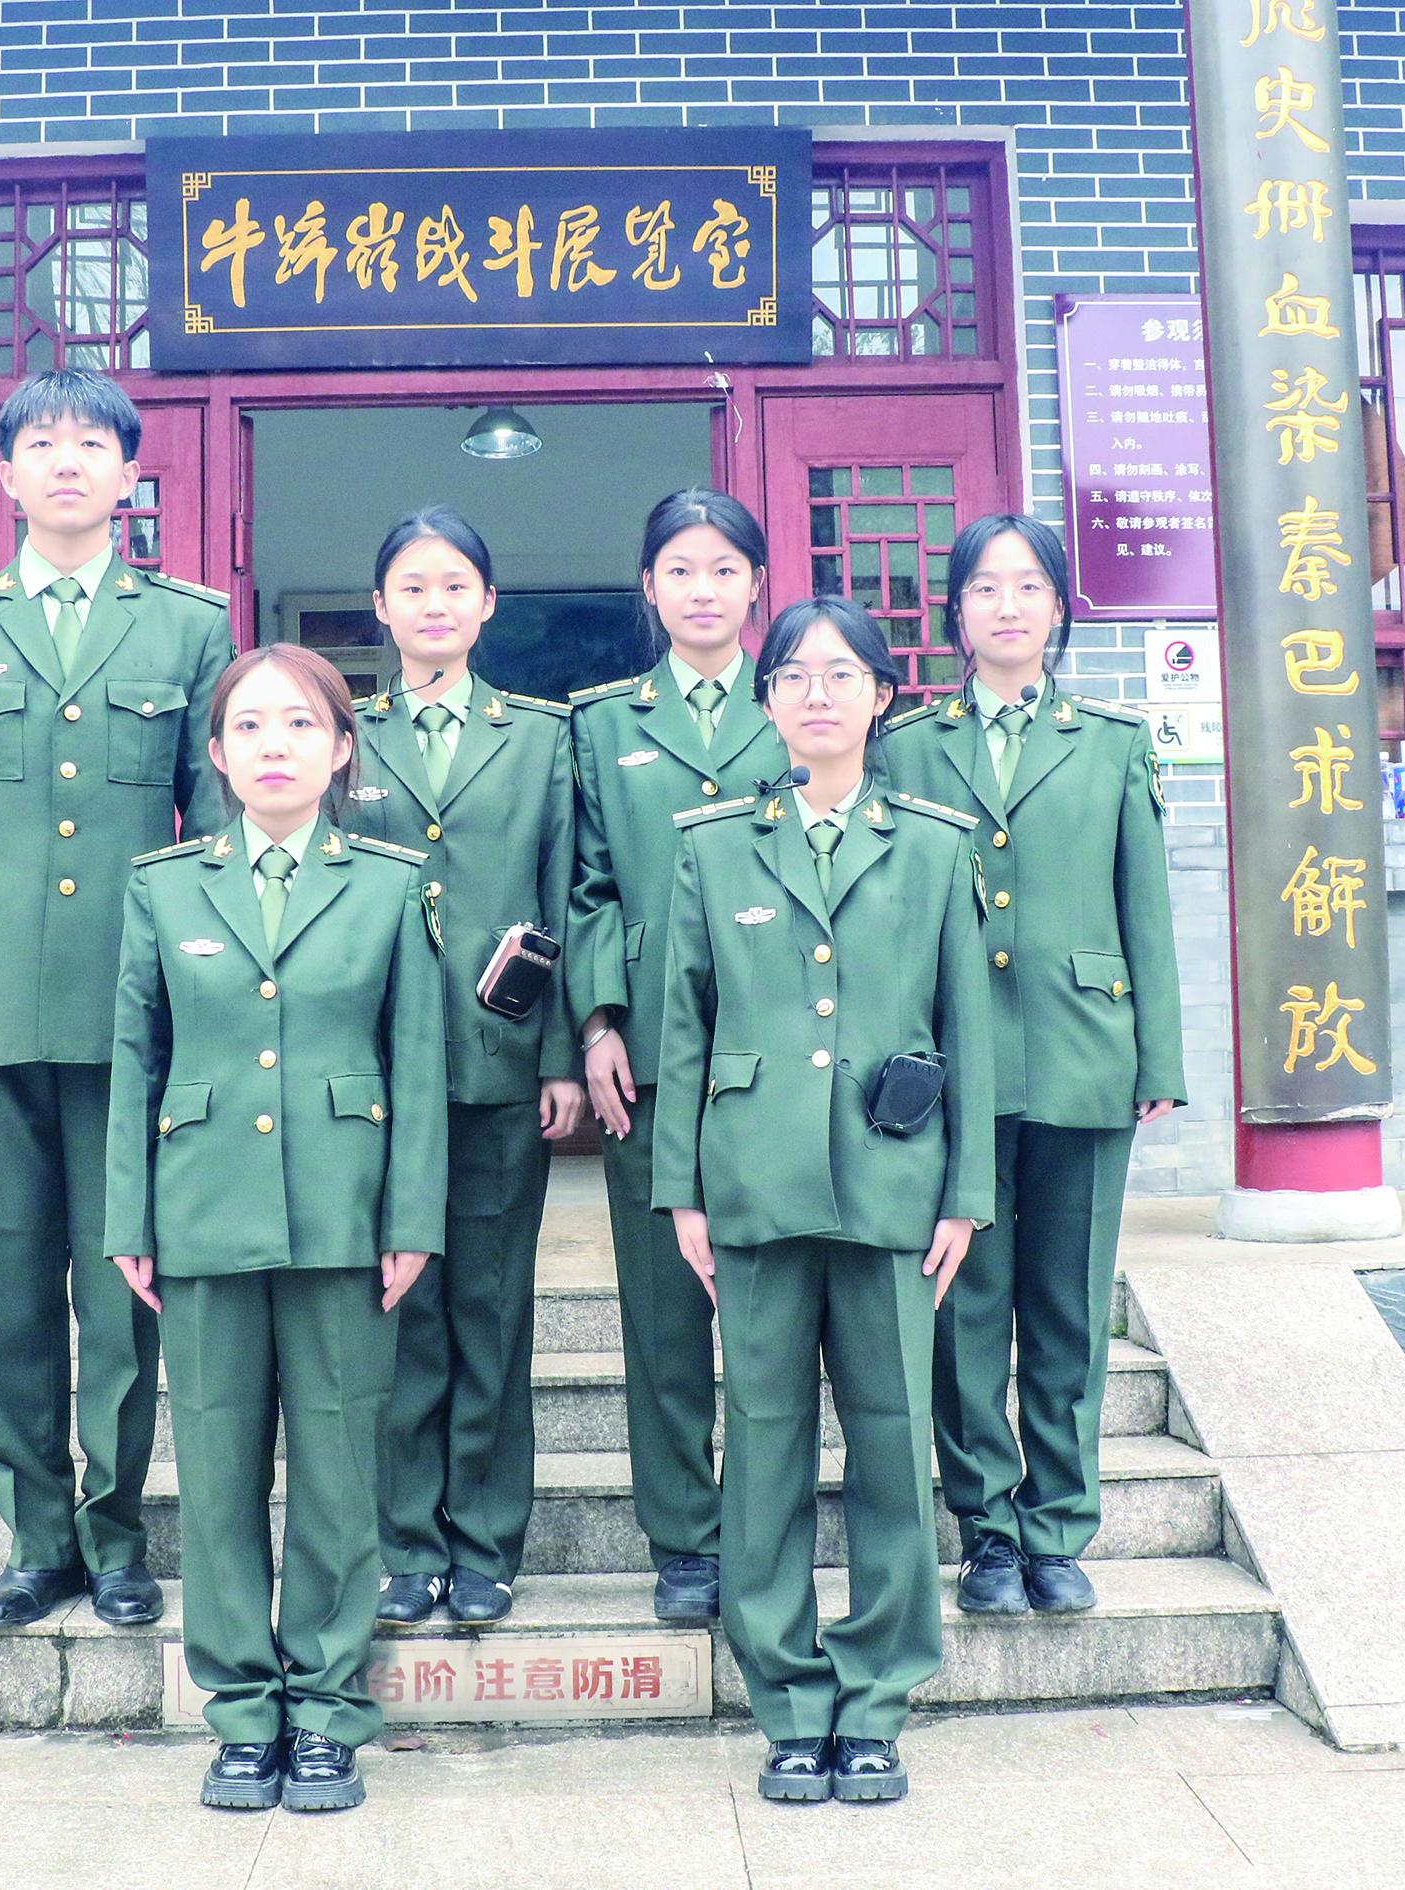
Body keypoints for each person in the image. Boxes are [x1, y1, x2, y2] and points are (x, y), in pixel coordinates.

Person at [0, 366, 232, 1631]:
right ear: (6, 474)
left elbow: (216, 824)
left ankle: (117, 1534)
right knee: (6, 1279)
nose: (68, 459)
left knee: (123, 1282)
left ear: (131, 473)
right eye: (43, 442)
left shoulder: (186, 626)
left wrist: (213, 997)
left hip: (136, 1007)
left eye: (93, 442)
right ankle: (37, 1540)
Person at [656, 595, 994, 1805]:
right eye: (794, 674)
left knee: (894, 1442)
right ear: (767, 701)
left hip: (893, 1185)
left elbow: (967, 1026)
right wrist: (682, 1190)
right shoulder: (712, 845)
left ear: (882, 696)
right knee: (763, 1448)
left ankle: (879, 1697)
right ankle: (791, 1703)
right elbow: (683, 1024)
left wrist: (966, 1193)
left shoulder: (936, 845)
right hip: (753, 1181)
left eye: (842, 674)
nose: (817, 693)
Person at [104, 643, 447, 1814]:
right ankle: (244, 1716)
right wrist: (128, 1217)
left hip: (346, 1212)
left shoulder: (391, 885)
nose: (274, 747)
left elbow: (417, 1059)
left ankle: (329, 1713)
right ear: (216, 752)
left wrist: (411, 1216)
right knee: (216, 1477)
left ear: (342, 748)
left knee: (340, 1477)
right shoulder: (164, 887)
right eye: (249, 726)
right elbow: (136, 1058)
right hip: (201, 1210)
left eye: (301, 724)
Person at [882, 513, 1185, 1618]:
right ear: (955, 611)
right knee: (966, 1304)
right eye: (984, 587)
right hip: (953, 1070)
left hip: (1082, 1055)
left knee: (1066, 1305)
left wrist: (1159, 1055)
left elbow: (1144, 905)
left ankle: (1057, 1529)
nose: (1006, 606)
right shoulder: (907, 746)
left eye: (1026, 587)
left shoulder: (1111, 742)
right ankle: (986, 1531)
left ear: (1059, 606)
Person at [345, 506, 584, 1627]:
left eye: (454, 585)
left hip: (499, 1063)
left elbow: (567, 893)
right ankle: (407, 1543)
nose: (433, 604)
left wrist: (560, 1053)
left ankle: (486, 1542)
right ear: (380, 606)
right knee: (400, 1307)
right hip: (374, 1071)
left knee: (489, 1309)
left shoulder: (541, 736)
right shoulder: (343, 731)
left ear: (488, 604)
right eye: (412, 586)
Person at [567, 488, 786, 1622]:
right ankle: (684, 1542)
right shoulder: (601, 724)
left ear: (757, 585)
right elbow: (586, 886)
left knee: (766, 1309)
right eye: (681, 570)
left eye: (724, 569)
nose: (704, 590)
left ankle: (761, 1529)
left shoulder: (799, 702)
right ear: (649, 588)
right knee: (662, 1316)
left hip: (778, 1051)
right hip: (648, 1054)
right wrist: (597, 1023)